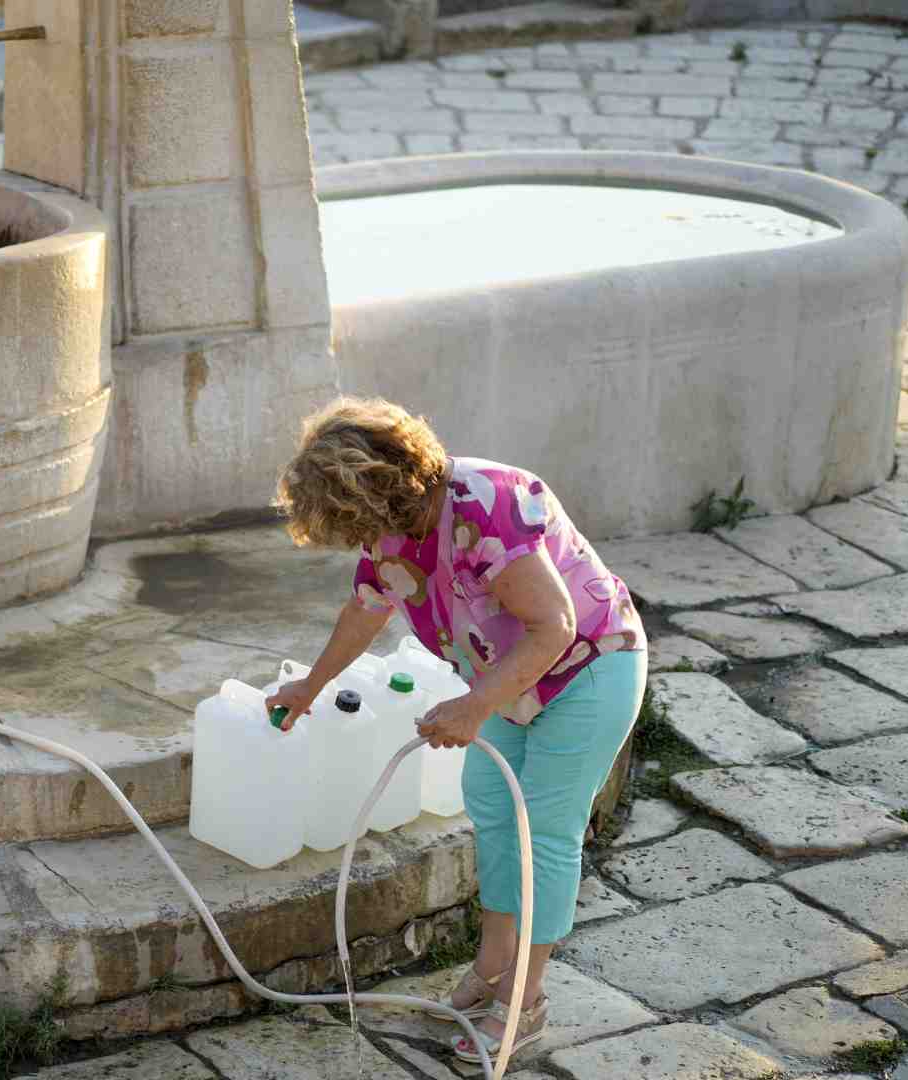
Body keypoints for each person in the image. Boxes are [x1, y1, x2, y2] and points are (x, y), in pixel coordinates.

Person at [264, 396, 646, 1063]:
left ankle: (525, 1003)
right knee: (494, 809)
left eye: (356, 524)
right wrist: (311, 685)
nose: (360, 542)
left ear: (383, 492)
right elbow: (365, 610)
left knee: (546, 833)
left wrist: (473, 707)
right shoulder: (394, 526)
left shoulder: (485, 504)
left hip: (588, 669)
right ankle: (494, 970)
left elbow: (554, 626)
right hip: (510, 680)